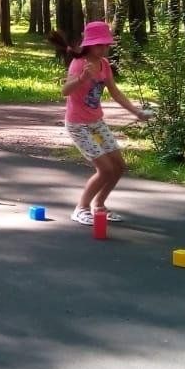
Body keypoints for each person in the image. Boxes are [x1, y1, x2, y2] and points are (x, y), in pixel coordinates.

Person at [49, 21, 151, 226]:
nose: (104, 48)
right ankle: (81, 208)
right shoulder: (79, 64)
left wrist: (137, 112)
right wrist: (81, 78)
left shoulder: (104, 64)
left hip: (96, 122)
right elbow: (65, 91)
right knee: (105, 169)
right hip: (78, 125)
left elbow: (115, 92)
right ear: (90, 44)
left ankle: (100, 206)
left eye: (106, 44)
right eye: (100, 45)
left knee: (119, 166)